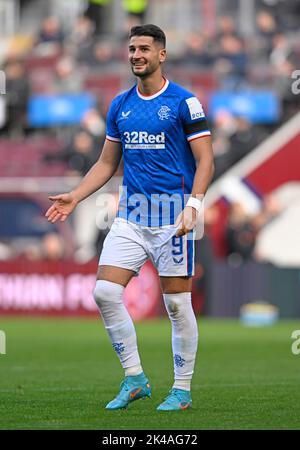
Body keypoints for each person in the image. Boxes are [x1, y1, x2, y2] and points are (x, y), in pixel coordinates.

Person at [45, 24, 214, 411]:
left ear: (161, 55)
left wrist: (195, 206)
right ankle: (135, 377)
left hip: (175, 217)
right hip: (131, 214)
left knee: (176, 305)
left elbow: (206, 159)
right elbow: (107, 163)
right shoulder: (120, 105)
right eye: (132, 48)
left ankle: (182, 390)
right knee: (104, 292)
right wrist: (75, 195)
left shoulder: (185, 103)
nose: (136, 54)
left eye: (144, 49)